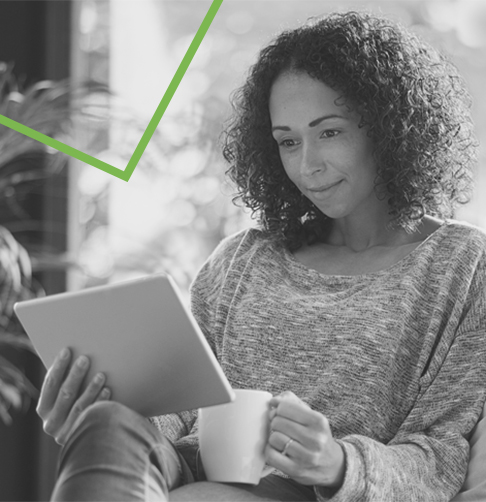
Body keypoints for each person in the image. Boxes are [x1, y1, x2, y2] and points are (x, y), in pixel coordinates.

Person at [37, 10, 486, 502]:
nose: (308, 165)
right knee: (106, 424)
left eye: (329, 132)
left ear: (388, 126)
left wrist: (337, 463)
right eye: (288, 142)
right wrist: (99, 418)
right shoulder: (243, 259)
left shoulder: (461, 266)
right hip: (183, 473)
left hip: (305, 490)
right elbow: (181, 409)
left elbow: (440, 456)